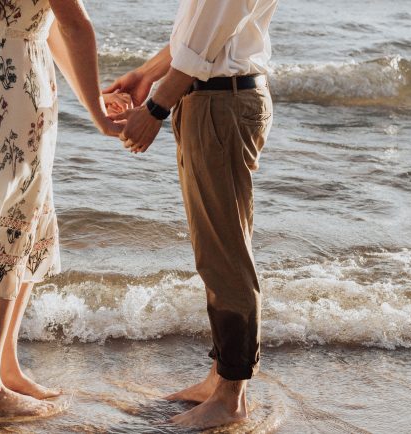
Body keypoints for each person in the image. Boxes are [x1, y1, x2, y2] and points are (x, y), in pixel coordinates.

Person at [0, 0, 128, 417]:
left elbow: (47, 27)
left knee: (21, 218)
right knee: (6, 224)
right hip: (11, 84)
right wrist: (100, 117)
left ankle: (3, 367)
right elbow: (76, 26)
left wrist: (92, 100)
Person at [106, 0, 278, 429]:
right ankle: (221, 378)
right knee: (216, 253)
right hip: (214, 99)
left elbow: (205, 40)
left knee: (225, 258)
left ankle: (231, 397)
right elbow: (201, 35)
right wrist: (147, 76)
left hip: (221, 104)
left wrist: (155, 108)